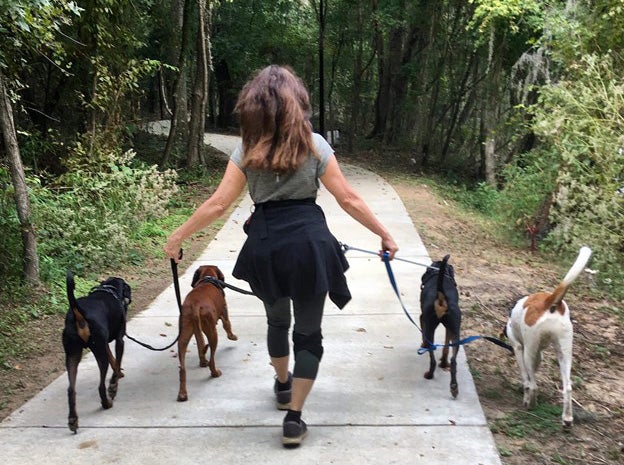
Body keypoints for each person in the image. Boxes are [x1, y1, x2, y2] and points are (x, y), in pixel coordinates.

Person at [164, 64, 398, 448]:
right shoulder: (316, 145)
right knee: (309, 334)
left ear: (253, 106)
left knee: (277, 323)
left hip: (267, 245)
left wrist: (177, 237)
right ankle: (294, 419)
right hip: (310, 245)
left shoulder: (246, 150)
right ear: (297, 104)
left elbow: (219, 203)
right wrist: (384, 235)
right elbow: (348, 199)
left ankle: (283, 384)